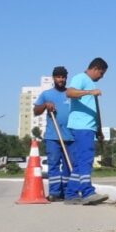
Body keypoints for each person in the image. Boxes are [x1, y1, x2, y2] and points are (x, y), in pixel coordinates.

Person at [65, 57, 109, 205]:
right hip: (81, 127)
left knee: (78, 163)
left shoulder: (89, 83)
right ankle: (87, 192)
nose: (101, 77)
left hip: (87, 127)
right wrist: (90, 92)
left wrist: (98, 130)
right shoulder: (81, 78)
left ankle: (71, 194)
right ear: (95, 68)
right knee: (86, 160)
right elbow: (69, 93)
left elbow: (92, 109)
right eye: (101, 73)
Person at [33, 66, 73, 200]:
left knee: (68, 165)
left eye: (63, 77)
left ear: (66, 78)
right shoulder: (46, 94)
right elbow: (35, 111)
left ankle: (68, 192)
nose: (61, 79)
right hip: (52, 136)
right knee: (53, 164)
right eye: (58, 77)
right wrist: (45, 105)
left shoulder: (71, 94)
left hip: (70, 136)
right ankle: (55, 193)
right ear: (53, 78)